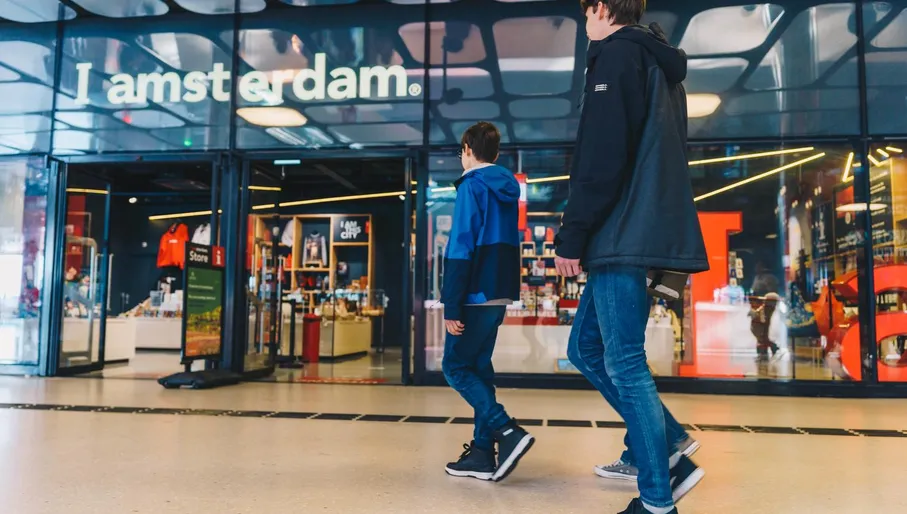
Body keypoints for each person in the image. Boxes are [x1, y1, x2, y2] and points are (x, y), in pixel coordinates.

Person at [554, 2, 709, 513]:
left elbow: (601, 157)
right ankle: (667, 441)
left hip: (620, 232)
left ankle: (657, 499)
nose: (585, 23)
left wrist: (573, 235)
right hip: (634, 229)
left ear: (601, 8)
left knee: (624, 361)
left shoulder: (617, 55)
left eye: (585, 12)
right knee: (585, 349)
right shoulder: (655, 62)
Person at [441, 122, 534, 482]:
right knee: (479, 368)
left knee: (455, 367)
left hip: (474, 290)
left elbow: (461, 245)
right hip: (498, 291)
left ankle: (506, 429)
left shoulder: (472, 185)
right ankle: (482, 452)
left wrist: (452, 304)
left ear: (467, 149)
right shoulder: (506, 188)